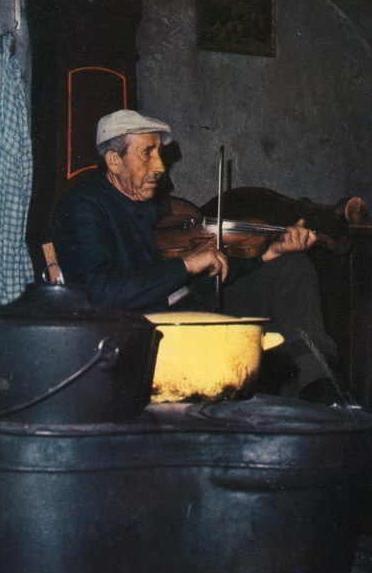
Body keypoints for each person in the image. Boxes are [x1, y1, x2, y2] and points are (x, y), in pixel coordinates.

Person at [51, 109, 343, 404]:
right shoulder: (83, 207)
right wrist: (186, 265)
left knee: (289, 267)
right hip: (141, 327)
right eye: (147, 153)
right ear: (114, 161)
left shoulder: (153, 206)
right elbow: (100, 290)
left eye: (160, 153)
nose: (160, 166)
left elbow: (200, 276)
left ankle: (320, 386)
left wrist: (267, 254)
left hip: (188, 303)